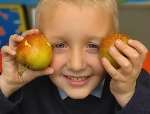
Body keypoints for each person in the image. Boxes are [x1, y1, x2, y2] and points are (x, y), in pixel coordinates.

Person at [0, 0, 150, 114]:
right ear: (37, 39)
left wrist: (127, 95)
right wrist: (7, 85)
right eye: (59, 45)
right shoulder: (24, 88)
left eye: (93, 46)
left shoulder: (133, 83)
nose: (76, 65)